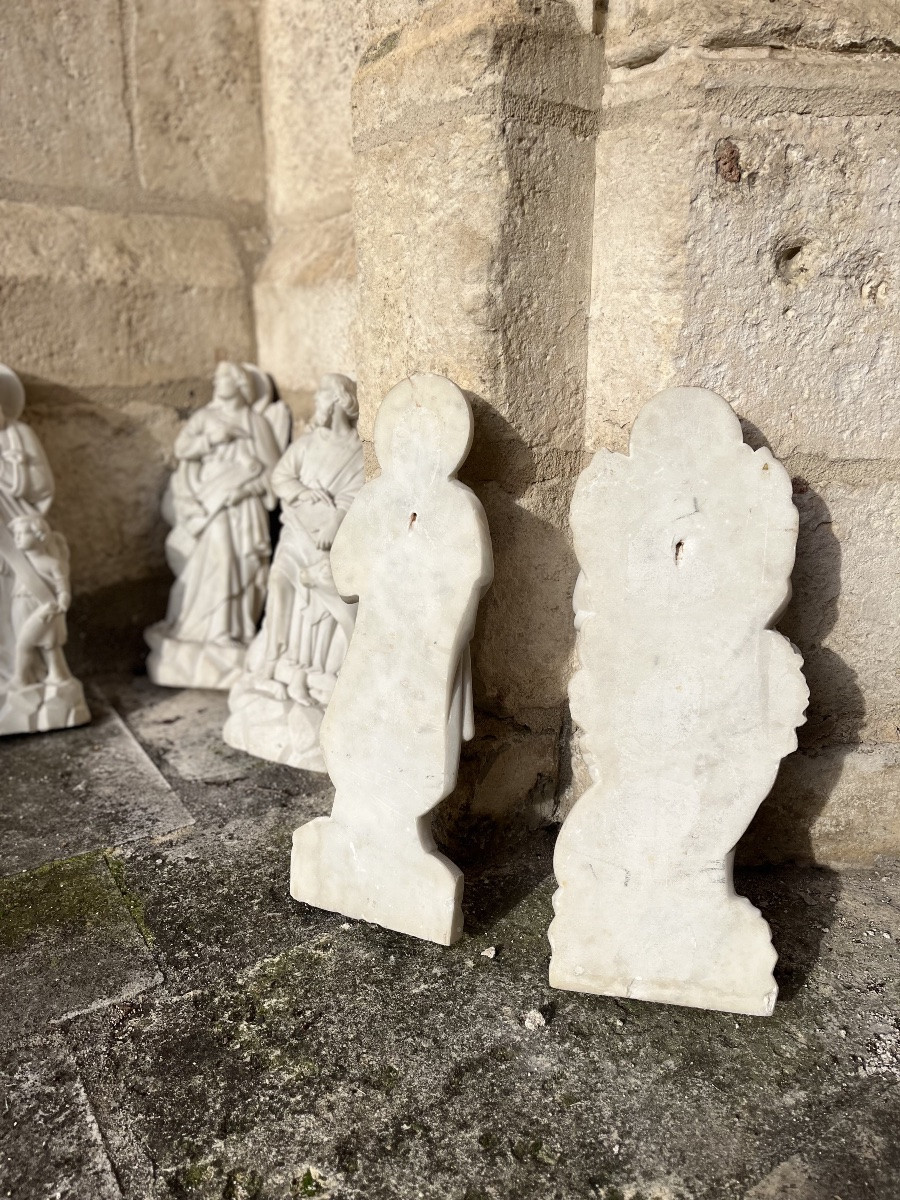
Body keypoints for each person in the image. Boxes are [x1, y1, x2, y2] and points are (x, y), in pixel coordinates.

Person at [255, 373, 364, 705]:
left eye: (321, 396)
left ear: (337, 401)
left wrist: (335, 520)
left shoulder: (357, 450)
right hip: (295, 535)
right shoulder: (307, 444)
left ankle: (306, 674)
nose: (315, 401)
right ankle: (270, 662)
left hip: (326, 540)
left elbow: (355, 491)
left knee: (317, 601)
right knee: (279, 584)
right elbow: (279, 477)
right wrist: (303, 492)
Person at [162, 361, 283, 648]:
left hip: (244, 505)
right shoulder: (205, 418)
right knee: (220, 558)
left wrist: (249, 484)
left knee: (243, 563)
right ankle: (212, 630)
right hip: (213, 502)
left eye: (223, 377)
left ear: (240, 383)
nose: (216, 382)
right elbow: (181, 449)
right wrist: (210, 440)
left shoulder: (257, 423)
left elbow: (275, 474)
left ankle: (234, 630)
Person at [7, 515, 72, 688]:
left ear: (40, 535)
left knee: (26, 644)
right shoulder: (19, 562)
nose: (17, 538)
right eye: (15, 534)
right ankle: (50, 676)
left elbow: (63, 590)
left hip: (43, 609)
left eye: (22, 533)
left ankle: (20, 679)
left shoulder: (53, 564)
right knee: (44, 645)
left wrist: (61, 606)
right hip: (19, 606)